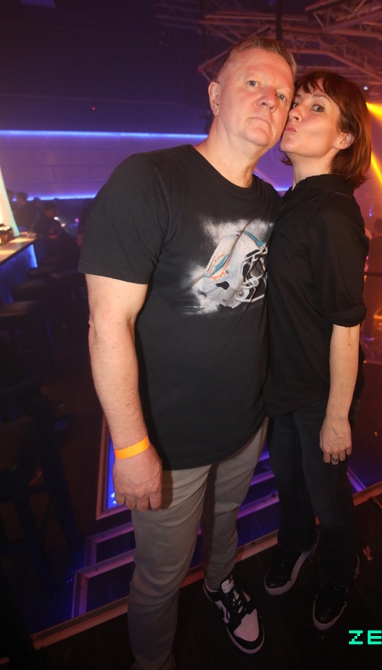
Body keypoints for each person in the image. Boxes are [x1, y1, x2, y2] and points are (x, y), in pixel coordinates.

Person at [79, 37, 296, 669]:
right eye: (254, 83)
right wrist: (130, 447)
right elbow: (106, 324)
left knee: (226, 524)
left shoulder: (271, 204)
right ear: (215, 95)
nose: (270, 99)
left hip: (245, 425)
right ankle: (154, 662)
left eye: (283, 94)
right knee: (159, 575)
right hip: (167, 441)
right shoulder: (149, 180)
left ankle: (221, 584)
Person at [262, 70, 371, 630]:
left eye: (318, 107)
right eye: (298, 102)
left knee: (329, 498)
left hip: (319, 391)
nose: (297, 111)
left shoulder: (330, 212)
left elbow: (347, 325)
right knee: (287, 481)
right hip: (283, 382)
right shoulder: (295, 201)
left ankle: (339, 573)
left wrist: (336, 416)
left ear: (344, 138)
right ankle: (297, 541)